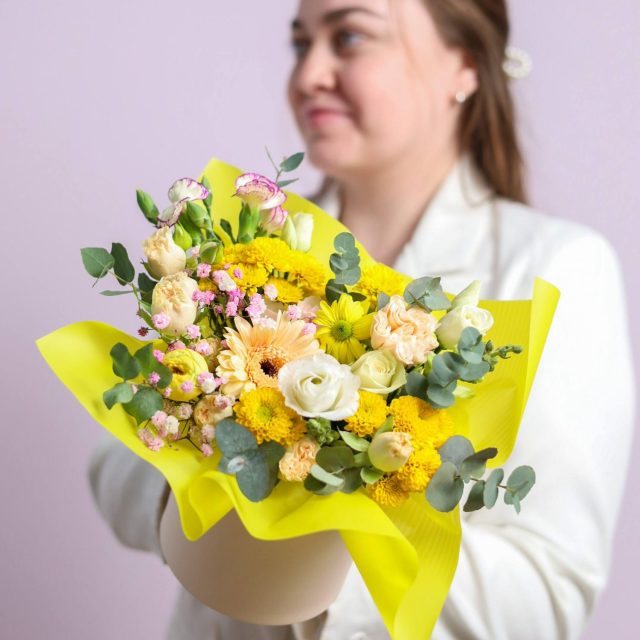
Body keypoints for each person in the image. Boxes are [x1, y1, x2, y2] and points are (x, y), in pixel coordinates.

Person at [89, 0, 636, 638]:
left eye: (349, 36)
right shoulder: (246, 249)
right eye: (302, 44)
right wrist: (197, 487)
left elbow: (548, 591)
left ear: (463, 64)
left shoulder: (557, 267)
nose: (308, 74)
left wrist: (307, 553)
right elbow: (115, 460)